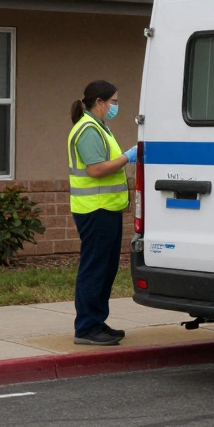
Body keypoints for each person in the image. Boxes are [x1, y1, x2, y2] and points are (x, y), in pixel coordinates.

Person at [67, 80, 137, 346]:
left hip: (107, 208)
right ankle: (86, 327)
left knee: (105, 268)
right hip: (94, 210)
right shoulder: (87, 129)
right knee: (95, 268)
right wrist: (128, 156)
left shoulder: (99, 127)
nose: (116, 106)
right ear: (100, 102)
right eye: (114, 101)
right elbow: (95, 169)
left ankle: (96, 321)